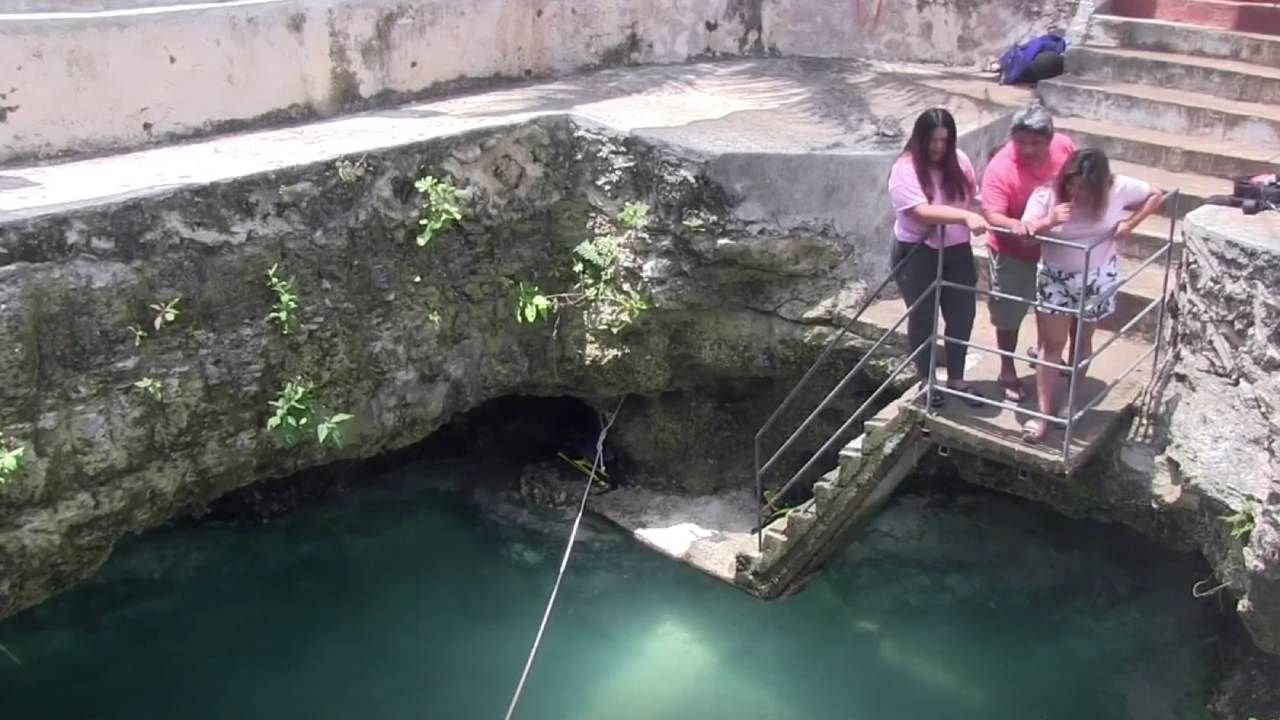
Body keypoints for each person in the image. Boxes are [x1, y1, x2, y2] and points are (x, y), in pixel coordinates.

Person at [1019, 149, 1165, 443]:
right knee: (1051, 345)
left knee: (1082, 339)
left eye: (1085, 186)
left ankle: (1070, 403)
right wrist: (1048, 221)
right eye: (1072, 184)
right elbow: (1024, 235)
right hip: (1055, 278)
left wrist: (1131, 223)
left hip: (1096, 276)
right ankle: (1044, 413)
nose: (1077, 192)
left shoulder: (1118, 188)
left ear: (1100, 185)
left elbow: (1157, 194)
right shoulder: (1046, 195)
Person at [887, 108, 989, 407]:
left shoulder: (960, 161)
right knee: (923, 318)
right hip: (919, 252)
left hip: (956, 249)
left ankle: (956, 379)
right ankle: (927, 380)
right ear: (920, 139)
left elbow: (974, 195)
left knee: (962, 314)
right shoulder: (904, 169)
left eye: (944, 140)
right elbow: (920, 211)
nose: (938, 147)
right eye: (932, 140)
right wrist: (964, 217)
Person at [980, 104, 1077, 402]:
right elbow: (992, 214)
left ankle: (1044, 351)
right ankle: (1007, 369)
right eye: (1021, 142)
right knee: (1008, 313)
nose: (1028, 149)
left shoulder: (1064, 147)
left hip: (1055, 248)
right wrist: (1016, 225)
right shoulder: (1001, 168)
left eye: (1036, 143)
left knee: (1054, 308)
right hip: (1013, 251)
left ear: (1049, 140)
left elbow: (1078, 176)